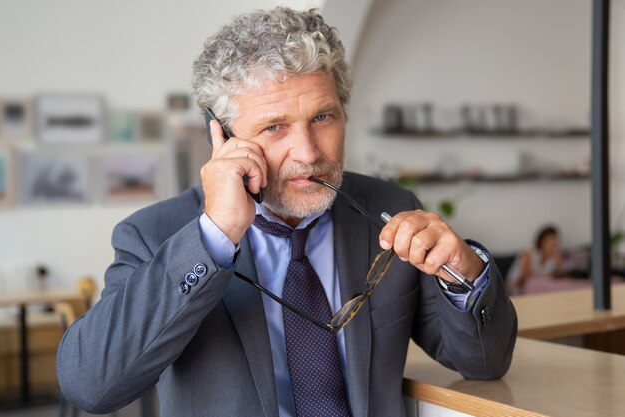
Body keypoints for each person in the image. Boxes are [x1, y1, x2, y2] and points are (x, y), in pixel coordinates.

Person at [56, 7, 517, 417]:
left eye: (323, 117)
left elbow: (483, 362)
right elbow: (91, 388)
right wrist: (214, 235)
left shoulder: (390, 209)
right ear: (221, 137)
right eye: (274, 126)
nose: (308, 152)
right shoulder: (154, 234)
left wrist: (465, 270)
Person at [506, 225, 564, 294]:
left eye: (555, 242)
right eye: (551, 240)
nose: (554, 244)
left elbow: (557, 276)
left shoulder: (553, 258)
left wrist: (559, 262)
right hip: (517, 287)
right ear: (542, 241)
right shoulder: (528, 254)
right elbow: (525, 278)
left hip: (539, 289)